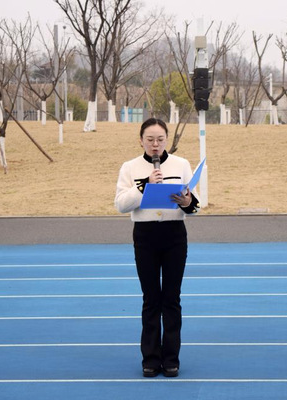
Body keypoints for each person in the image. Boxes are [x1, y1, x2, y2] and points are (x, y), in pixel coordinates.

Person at [115, 118, 200, 378]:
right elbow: (121, 204)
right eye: (150, 139)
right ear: (141, 140)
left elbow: (195, 206)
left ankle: (171, 358)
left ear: (166, 140)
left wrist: (186, 201)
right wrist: (145, 184)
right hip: (145, 236)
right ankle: (150, 359)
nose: (155, 145)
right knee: (151, 299)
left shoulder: (181, 164)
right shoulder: (130, 167)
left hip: (174, 235)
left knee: (171, 299)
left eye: (160, 140)